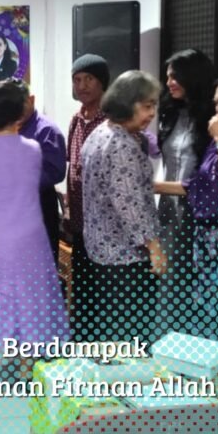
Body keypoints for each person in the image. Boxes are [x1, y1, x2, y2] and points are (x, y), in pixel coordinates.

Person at [0, 79, 68, 381]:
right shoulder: (32, 149)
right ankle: (25, 369)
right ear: (18, 111)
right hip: (26, 237)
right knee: (27, 300)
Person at [157, 70, 218, 349]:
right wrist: (154, 186)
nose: (216, 110)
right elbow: (197, 185)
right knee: (208, 321)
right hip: (208, 247)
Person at [81, 71, 167, 343]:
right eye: (147, 106)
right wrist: (154, 248)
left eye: (154, 105)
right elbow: (130, 205)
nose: (152, 113)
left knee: (113, 330)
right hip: (126, 257)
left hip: (102, 251)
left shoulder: (99, 133)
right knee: (131, 335)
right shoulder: (122, 145)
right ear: (127, 103)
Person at [153, 49, 215, 335]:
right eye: (167, 77)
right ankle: (166, 344)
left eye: (175, 76)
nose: (169, 83)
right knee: (169, 281)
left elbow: (206, 179)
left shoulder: (212, 119)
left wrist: (150, 186)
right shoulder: (170, 113)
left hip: (199, 212)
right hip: (168, 210)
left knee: (193, 282)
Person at [65, 53, 110, 341]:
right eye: (77, 80)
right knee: (81, 283)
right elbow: (72, 167)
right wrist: (69, 208)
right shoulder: (76, 120)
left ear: (102, 82)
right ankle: (81, 338)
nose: (82, 86)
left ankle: (102, 343)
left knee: (102, 287)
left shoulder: (113, 120)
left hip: (105, 224)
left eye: (89, 79)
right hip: (80, 220)